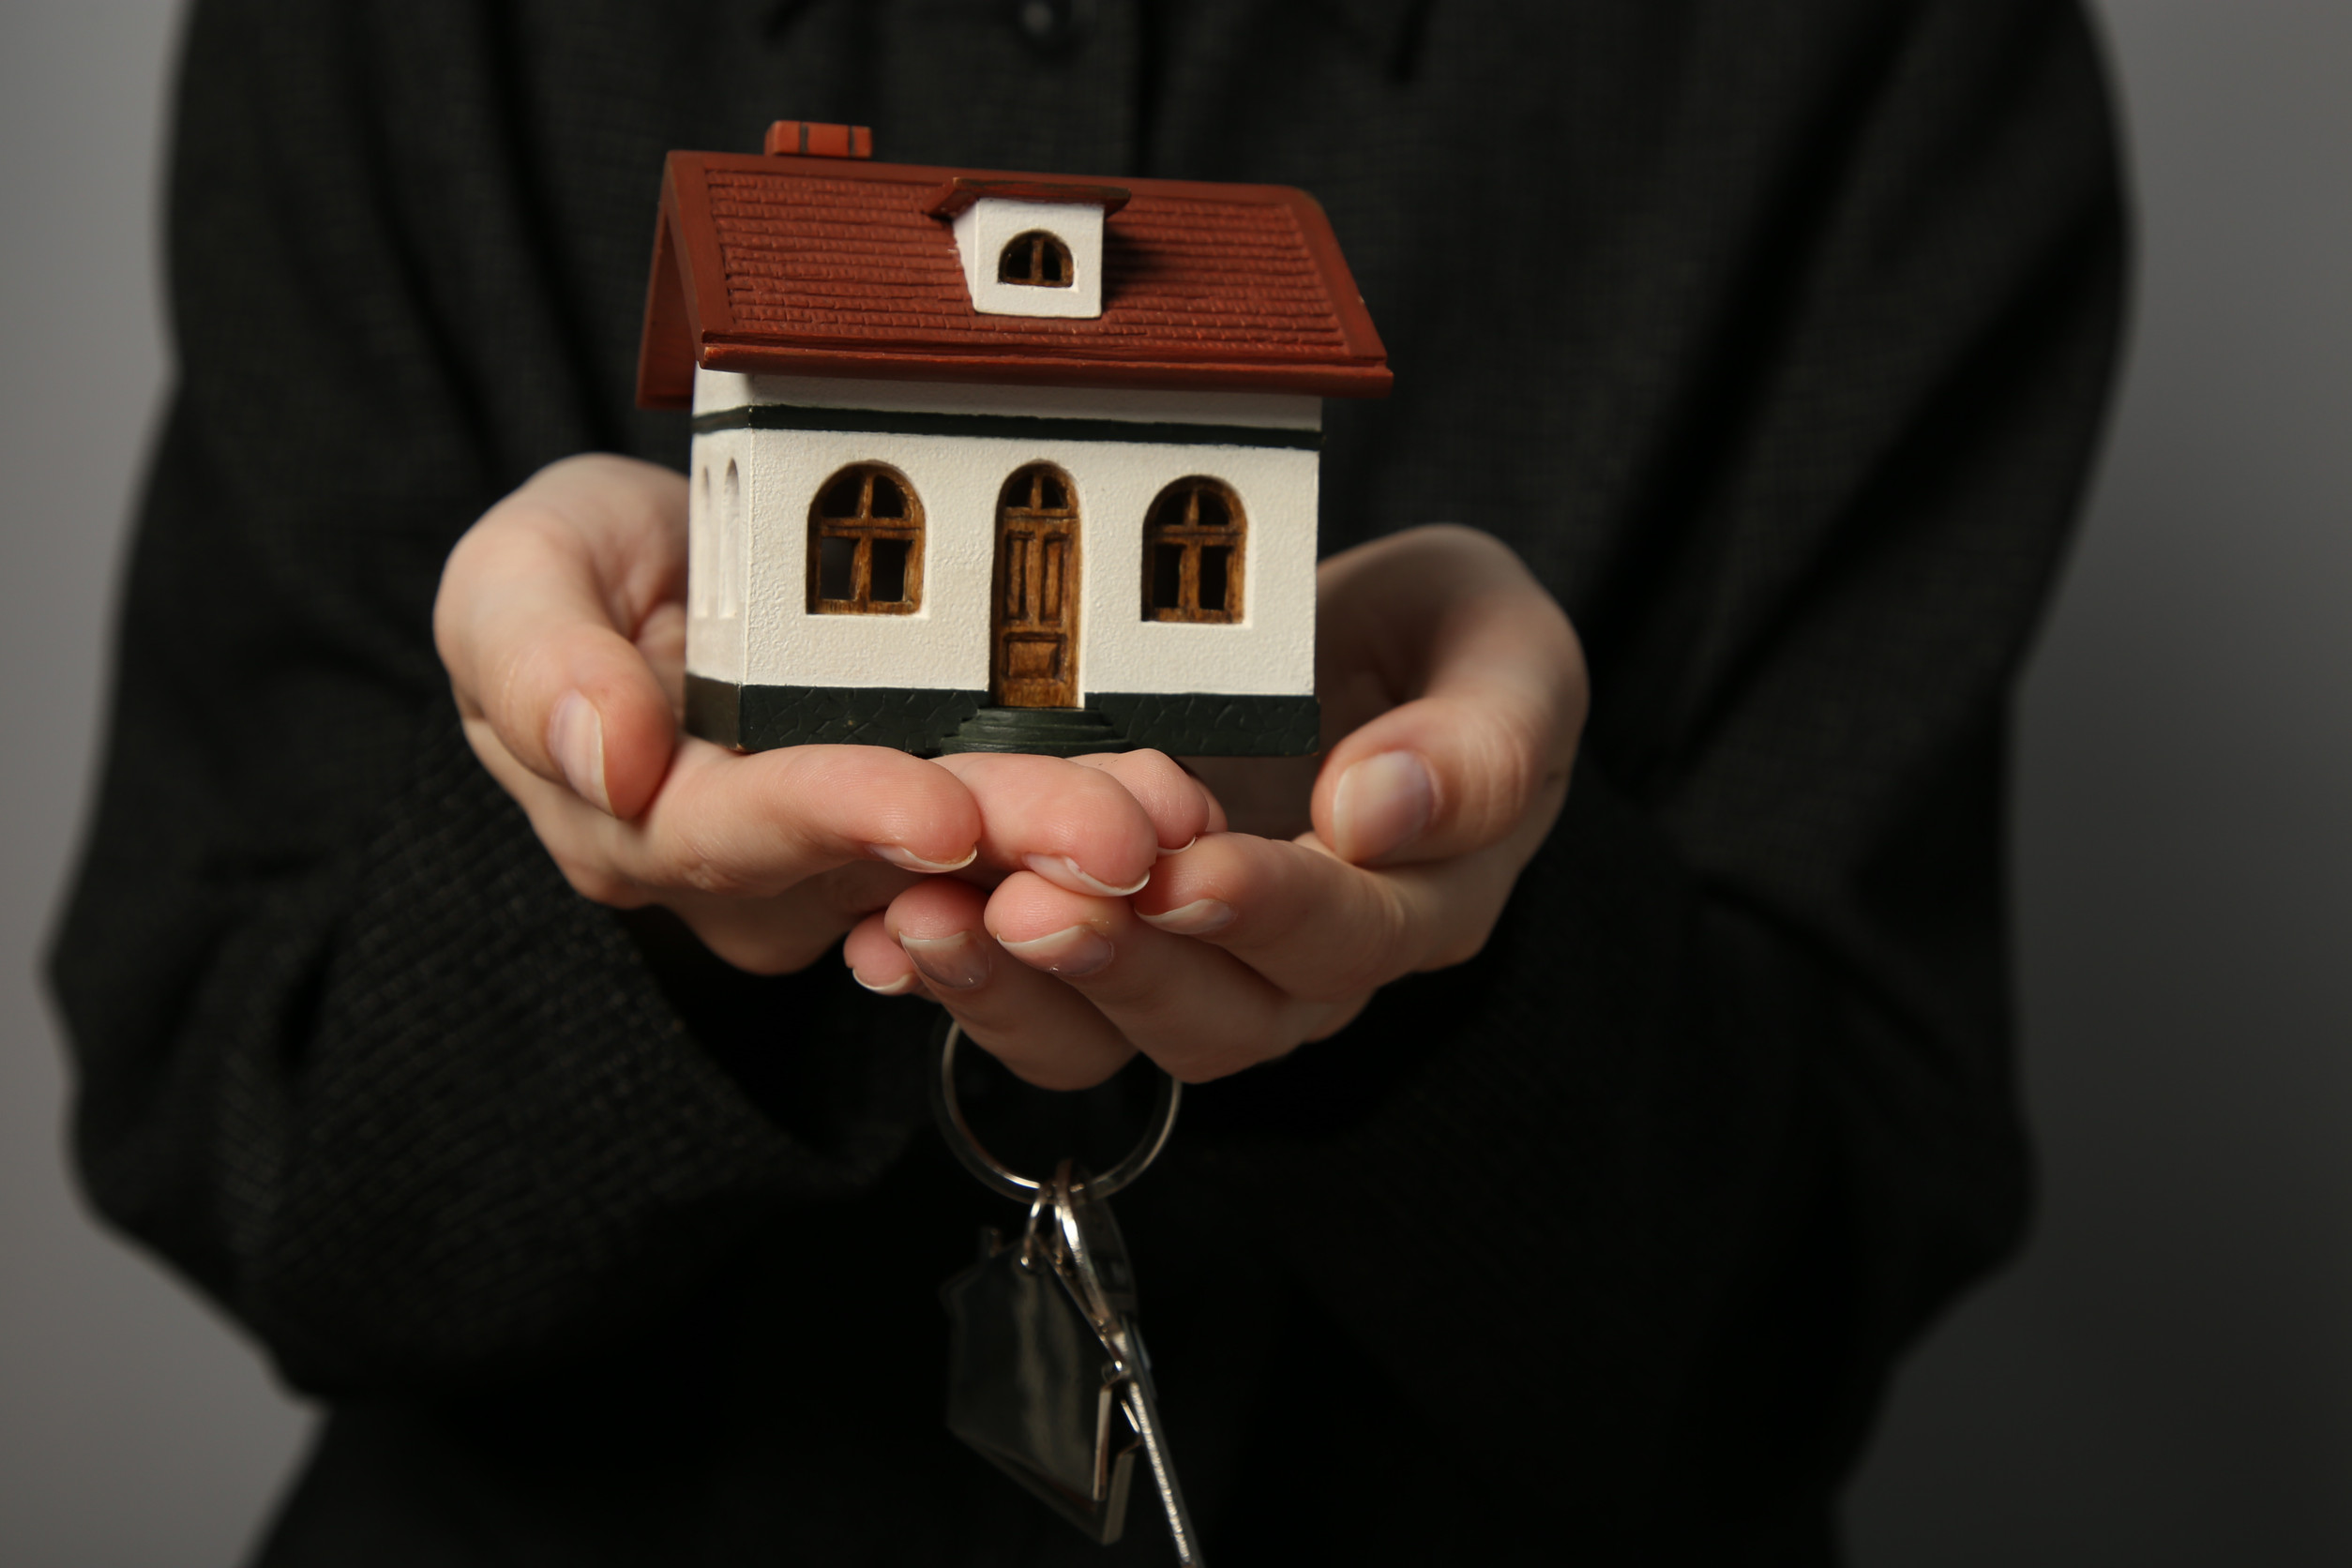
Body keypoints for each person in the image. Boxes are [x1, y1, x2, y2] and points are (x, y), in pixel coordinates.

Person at [49, 1, 2125, 1561]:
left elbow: (1795, 1325)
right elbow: (232, 1146)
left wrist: (1435, 953)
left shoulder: (1883, 43)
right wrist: (630, 891)